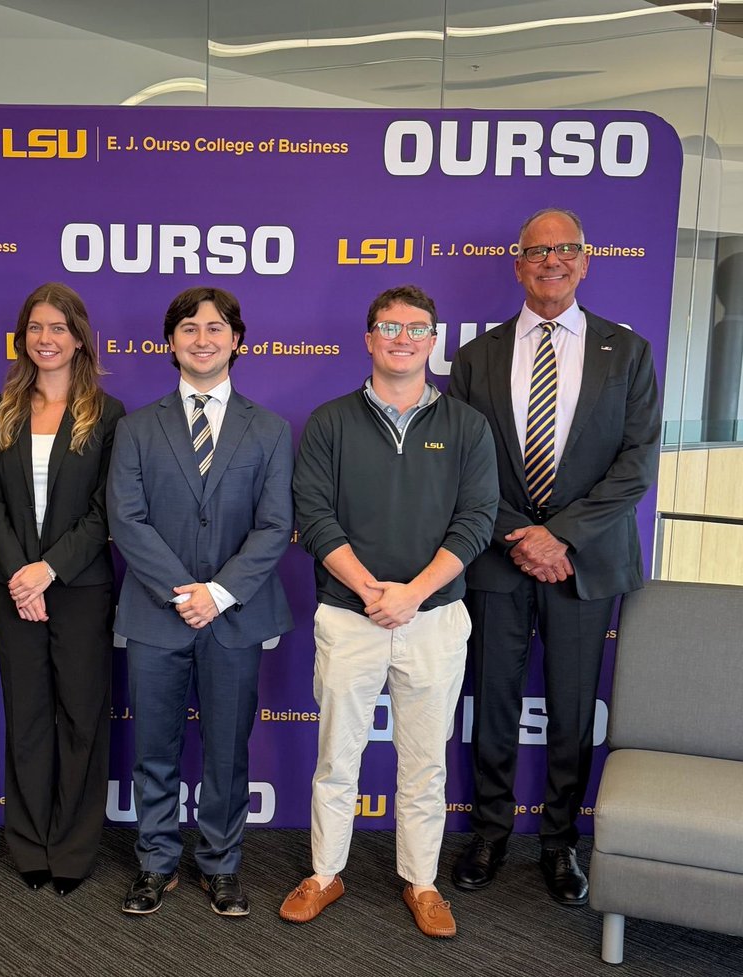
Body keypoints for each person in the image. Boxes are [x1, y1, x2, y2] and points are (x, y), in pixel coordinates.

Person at [448, 208, 662, 905]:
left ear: (585, 260)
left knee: (574, 708)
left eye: (565, 249)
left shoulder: (625, 352)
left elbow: (636, 464)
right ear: (518, 265)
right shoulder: (478, 356)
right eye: (538, 251)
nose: (552, 261)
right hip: (498, 558)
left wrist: (561, 535)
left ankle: (562, 841)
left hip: (586, 560)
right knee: (494, 701)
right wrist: (522, 536)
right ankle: (487, 833)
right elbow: (465, 466)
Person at [279, 285, 497, 936]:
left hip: (433, 618)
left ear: (434, 341)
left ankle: (422, 882)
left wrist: (413, 593)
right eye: (389, 327)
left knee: (426, 761)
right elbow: (313, 515)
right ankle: (325, 872)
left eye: (416, 328)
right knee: (336, 758)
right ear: (368, 338)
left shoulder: (466, 426)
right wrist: (374, 590)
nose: (402, 338)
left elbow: (477, 519)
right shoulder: (330, 421)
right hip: (350, 615)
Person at [108, 286, 294, 918]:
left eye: (216, 328)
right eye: (189, 327)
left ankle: (221, 865)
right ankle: (156, 864)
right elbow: (127, 520)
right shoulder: (135, 428)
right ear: (170, 342)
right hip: (157, 615)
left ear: (237, 340)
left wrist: (216, 593)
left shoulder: (268, 430)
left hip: (234, 618)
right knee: (153, 749)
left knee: (226, 751)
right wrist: (183, 592)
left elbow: (275, 527)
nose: (203, 338)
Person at [0, 283, 125, 897]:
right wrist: (22, 575)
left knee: (81, 717)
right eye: (36, 327)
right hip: (16, 589)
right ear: (22, 337)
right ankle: (31, 842)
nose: (46, 339)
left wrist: (49, 570)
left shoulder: (108, 414)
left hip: (81, 587)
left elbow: (105, 510)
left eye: (58, 328)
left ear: (79, 337)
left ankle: (73, 846)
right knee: (29, 717)